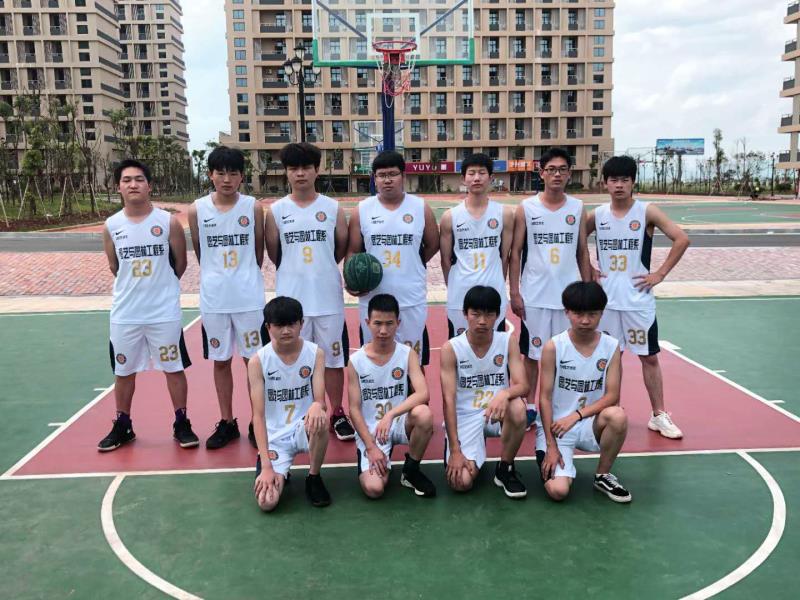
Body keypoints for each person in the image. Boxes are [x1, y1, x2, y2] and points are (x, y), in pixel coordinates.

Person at [587, 155, 691, 439]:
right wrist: (588, 268)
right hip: (607, 303)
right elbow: (574, 238)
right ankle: (609, 411)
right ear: (605, 183)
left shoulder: (646, 212)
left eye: (625, 180)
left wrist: (660, 273)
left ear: (633, 182)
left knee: (649, 357)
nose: (619, 185)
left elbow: (682, 238)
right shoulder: (598, 215)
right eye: (614, 180)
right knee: (609, 359)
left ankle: (659, 414)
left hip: (638, 301)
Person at [98, 159, 198, 451]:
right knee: (123, 371)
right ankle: (123, 424)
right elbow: (115, 267)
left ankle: (182, 422)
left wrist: (161, 289)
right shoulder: (112, 225)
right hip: (126, 313)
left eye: (139, 179)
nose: (133, 185)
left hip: (163, 312)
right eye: (126, 180)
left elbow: (179, 264)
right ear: (118, 187)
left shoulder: (167, 222)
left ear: (149, 185)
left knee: (174, 367)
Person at [265, 142, 355, 441]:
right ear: (286, 172)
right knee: (294, 360)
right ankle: (303, 412)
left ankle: (337, 412)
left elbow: (339, 248)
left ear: (317, 170)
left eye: (306, 167)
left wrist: (321, 266)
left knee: (333, 361)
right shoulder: (276, 211)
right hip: (293, 300)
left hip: (327, 298)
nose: (300, 173)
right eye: (293, 168)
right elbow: (275, 254)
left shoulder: (332, 208)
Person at [188, 146, 265, 449]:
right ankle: (227, 421)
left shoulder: (252, 207)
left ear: (242, 176)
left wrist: (242, 277)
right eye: (220, 173)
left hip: (249, 299)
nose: (227, 179)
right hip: (214, 300)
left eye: (233, 173)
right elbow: (200, 252)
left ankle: (257, 421)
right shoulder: (197, 210)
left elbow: (258, 253)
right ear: (210, 175)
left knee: (253, 363)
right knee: (220, 362)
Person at [509, 147, 590, 420]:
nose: (557, 174)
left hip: (568, 297)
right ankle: (528, 406)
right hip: (535, 295)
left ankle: (562, 406)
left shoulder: (577, 207)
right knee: (532, 355)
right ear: (541, 173)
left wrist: (587, 290)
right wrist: (514, 292)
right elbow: (515, 252)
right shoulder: (527, 208)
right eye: (551, 169)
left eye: (562, 170)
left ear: (569, 174)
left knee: (567, 355)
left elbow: (582, 251)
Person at [536, 281, 630, 503]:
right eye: (578, 314)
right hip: (557, 428)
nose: (585, 320)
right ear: (567, 312)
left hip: (588, 423)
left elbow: (612, 395)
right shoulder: (554, 346)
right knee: (558, 491)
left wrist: (576, 416)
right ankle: (559, 463)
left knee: (617, 415)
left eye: (592, 314)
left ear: (601, 314)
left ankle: (602, 475)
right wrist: (550, 445)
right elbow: (544, 398)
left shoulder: (611, 346)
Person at [347, 151, 440, 365]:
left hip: (410, 298)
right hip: (373, 299)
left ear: (403, 176)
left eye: (392, 174)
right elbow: (352, 251)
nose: (387, 180)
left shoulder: (420, 207)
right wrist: (352, 280)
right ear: (374, 179)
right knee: (372, 361)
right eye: (381, 175)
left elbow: (433, 243)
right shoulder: (362, 210)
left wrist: (414, 262)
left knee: (413, 362)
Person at [441, 286, 529, 498]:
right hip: (465, 416)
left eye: (489, 314)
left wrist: (504, 394)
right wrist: (455, 450)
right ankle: (463, 449)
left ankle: (505, 468)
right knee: (461, 482)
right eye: (476, 314)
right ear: (465, 314)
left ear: (497, 316)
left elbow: (523, 385)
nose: (482, 321)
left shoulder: (507, 341)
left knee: (518, 407)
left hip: (497, 412)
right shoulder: (451, 348)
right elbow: (448, 400)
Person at [348, 294, 436, 499]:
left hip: (398, 423)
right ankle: (377, 457)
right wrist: (371, 447)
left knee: (424, 414)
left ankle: (411, 471)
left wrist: (390, 415)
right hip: (372, 430)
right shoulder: (356, 361)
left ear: (398, 323)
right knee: (374, 489)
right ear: (367, 323)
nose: (383, 330)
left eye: (389, 324)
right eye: (377, 323)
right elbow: (353, 408)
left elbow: (423, 393)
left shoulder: (407, 353)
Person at [248, 296, 331, 511]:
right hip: (275, 437)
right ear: (268, 327)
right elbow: (258, 415)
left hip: (303, 428)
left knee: (322, 419)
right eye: (279, 325)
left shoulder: (315, 354)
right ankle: (279, 471)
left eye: (291, 324)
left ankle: (314, 477)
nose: (286, 331)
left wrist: (318, 404)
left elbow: (320, 401)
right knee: (267, 503)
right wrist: (266, 466)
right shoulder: (258, 361)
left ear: (301, 324)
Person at [439, 153, 513, 338]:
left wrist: (497, 281)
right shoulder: (450, 217)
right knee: (459, 348)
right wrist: (454, 285)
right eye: (471, 173)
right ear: (463, 178)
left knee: (494, 348)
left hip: (493, 291)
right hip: (460, 293)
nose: (477, 178)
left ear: (491, 177)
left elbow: (505, 257)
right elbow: (445, 261)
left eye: (482, 173)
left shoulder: (504, 214)